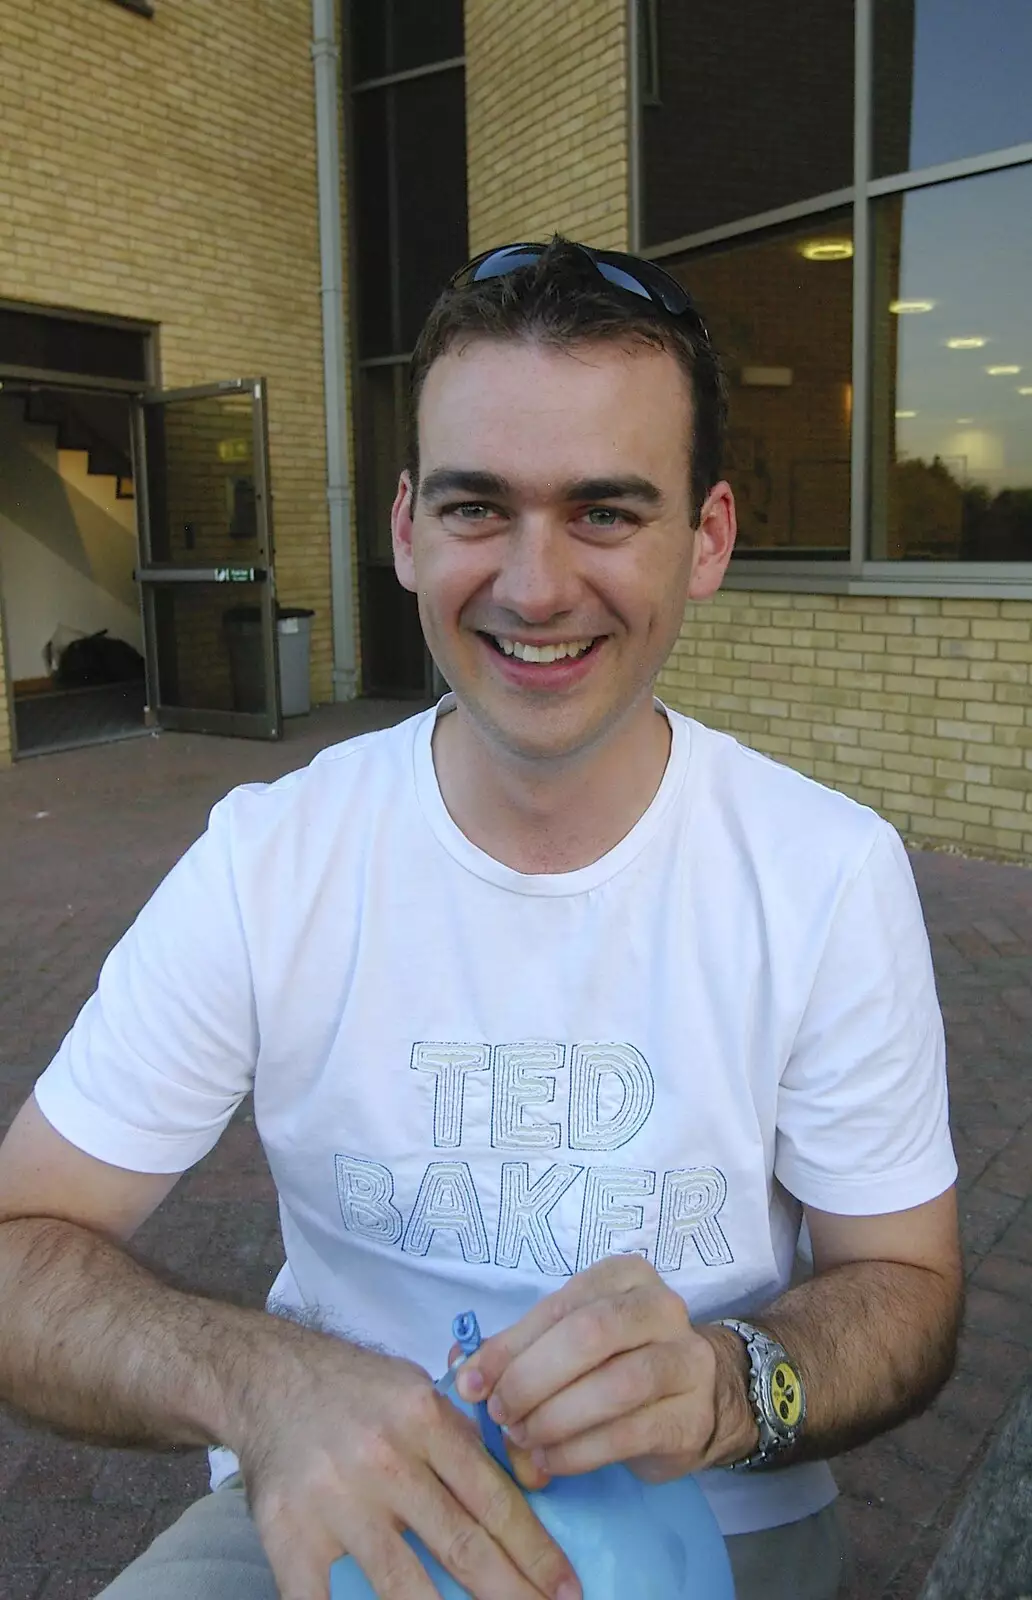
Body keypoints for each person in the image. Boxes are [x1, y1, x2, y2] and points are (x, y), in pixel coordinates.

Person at [0, 238, 962, 1600]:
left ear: (708, 541)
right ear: (405, 531)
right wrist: (266, 1385)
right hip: (339, 1511)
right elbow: (19, 1248)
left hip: (720, 1526)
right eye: (476, 508)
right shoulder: (270, 861)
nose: (532, 584)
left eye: (606, 513)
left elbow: (908, 1285)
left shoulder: (824, 873)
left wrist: (731, 1384)